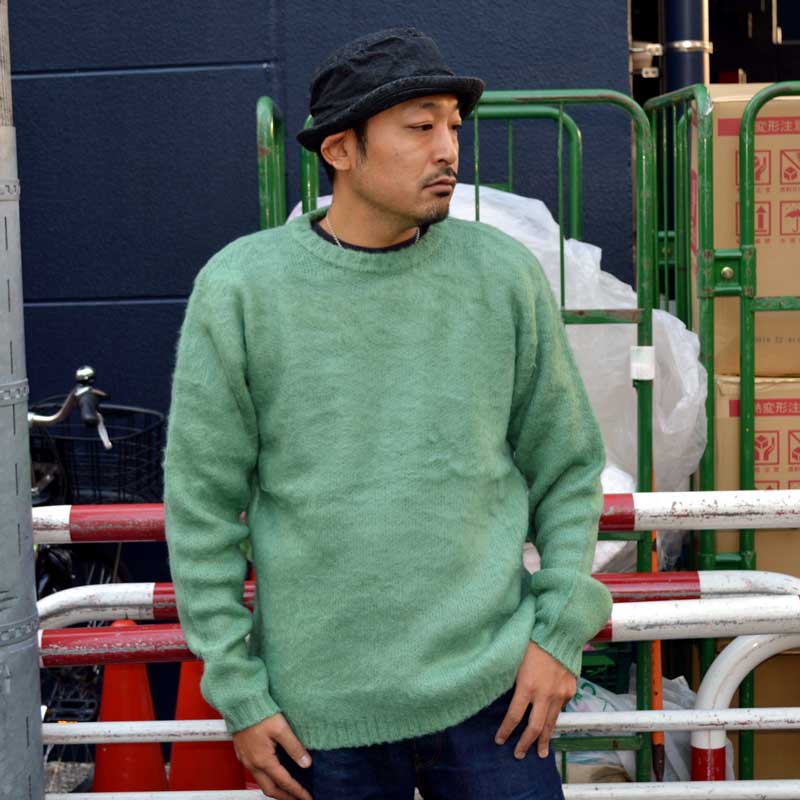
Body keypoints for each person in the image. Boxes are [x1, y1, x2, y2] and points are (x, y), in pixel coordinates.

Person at [163, 26, 612, 800]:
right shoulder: (241, 290)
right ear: (340, 149)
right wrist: (237, 691)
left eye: (453, 126)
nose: (448, 149)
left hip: (495, 696)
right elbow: (201, 504)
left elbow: (568, 466)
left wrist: (559, 632)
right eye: (419, 126)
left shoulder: (501, 275)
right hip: (320, 714)